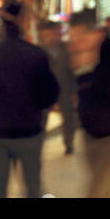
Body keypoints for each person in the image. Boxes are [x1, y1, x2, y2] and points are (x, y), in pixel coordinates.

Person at [0, 1, 59, 198]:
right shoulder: (35, 55)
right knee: (32, 185)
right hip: (30, 130)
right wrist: (36, 110)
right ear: (23, 22)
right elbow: (51, 92)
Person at [68, 9, 110, 198]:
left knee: (98, 185)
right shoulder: (77, 55)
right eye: (73, 38)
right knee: (106, 187)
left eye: (80, 37)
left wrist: (87, 72)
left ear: (96, 33)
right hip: (91, 130)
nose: (76, 43)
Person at [37, 20, 77, 155]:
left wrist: (74, 91)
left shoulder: (66, 49)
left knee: (68, 118)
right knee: (41, 120)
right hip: (44, 91)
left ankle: (69, 143)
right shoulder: (38, 51)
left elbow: (72, 71)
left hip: (64, 89)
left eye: (51, 34)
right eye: (45, 34)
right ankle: (38, 144)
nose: (49, 37)